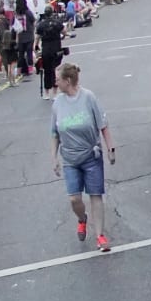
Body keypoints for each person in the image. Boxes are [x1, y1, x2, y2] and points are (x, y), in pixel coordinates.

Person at [50, 62, 114, 251]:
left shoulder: (88, 98)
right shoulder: (57, 103)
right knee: (74, 199)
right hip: (70, 158)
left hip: (90, 155)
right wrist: (54, 158)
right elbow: (54, 133)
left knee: (95, 195)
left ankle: (100, 236)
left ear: (67, 81)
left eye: (58, 79)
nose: (55, 83)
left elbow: (102, 124)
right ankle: (82, 218)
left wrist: (110, 148)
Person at [36, 4, 67, 98]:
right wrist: (63, 36)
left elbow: (37, 37)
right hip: (56, 47)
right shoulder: (57, 23)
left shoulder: (41, 25)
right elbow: (64, 31)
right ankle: (55, 92)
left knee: (47, 70)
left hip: (46, 48)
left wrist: (36, 46)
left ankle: (46, 92)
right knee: (56, 69)